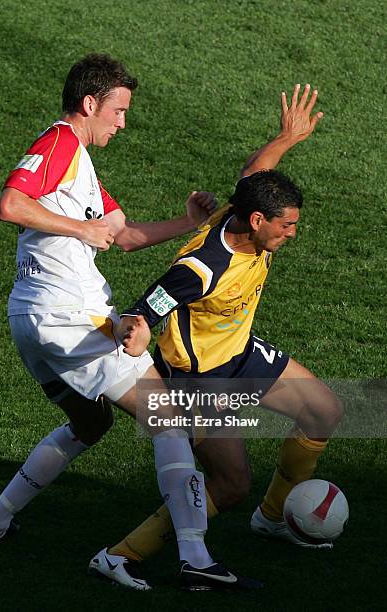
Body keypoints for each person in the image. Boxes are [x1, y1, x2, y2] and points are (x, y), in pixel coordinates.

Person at [0, 53, 261, 592]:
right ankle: (194, 555)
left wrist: (191, 222)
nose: (123, 121)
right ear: (90, 103)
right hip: (70, 316)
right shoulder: (58, 145)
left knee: (90, 424)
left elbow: (120, 234)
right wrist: (77, 228)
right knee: (168, 416)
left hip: (30, 320)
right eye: (118, 110)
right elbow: (11, 204)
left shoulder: (82, 166)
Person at [88, 83, 343, 589]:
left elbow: (255, 170)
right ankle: (120, 556)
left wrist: (287, 137)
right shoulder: (202, 268)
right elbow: (150, 304)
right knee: (229, 485)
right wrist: (136, 332)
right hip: (198, 380)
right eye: (287, 226)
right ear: (257, 221)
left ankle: (272, 520)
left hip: (238, 353)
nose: (292, 233)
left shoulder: (246, 210)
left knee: (324, 412)